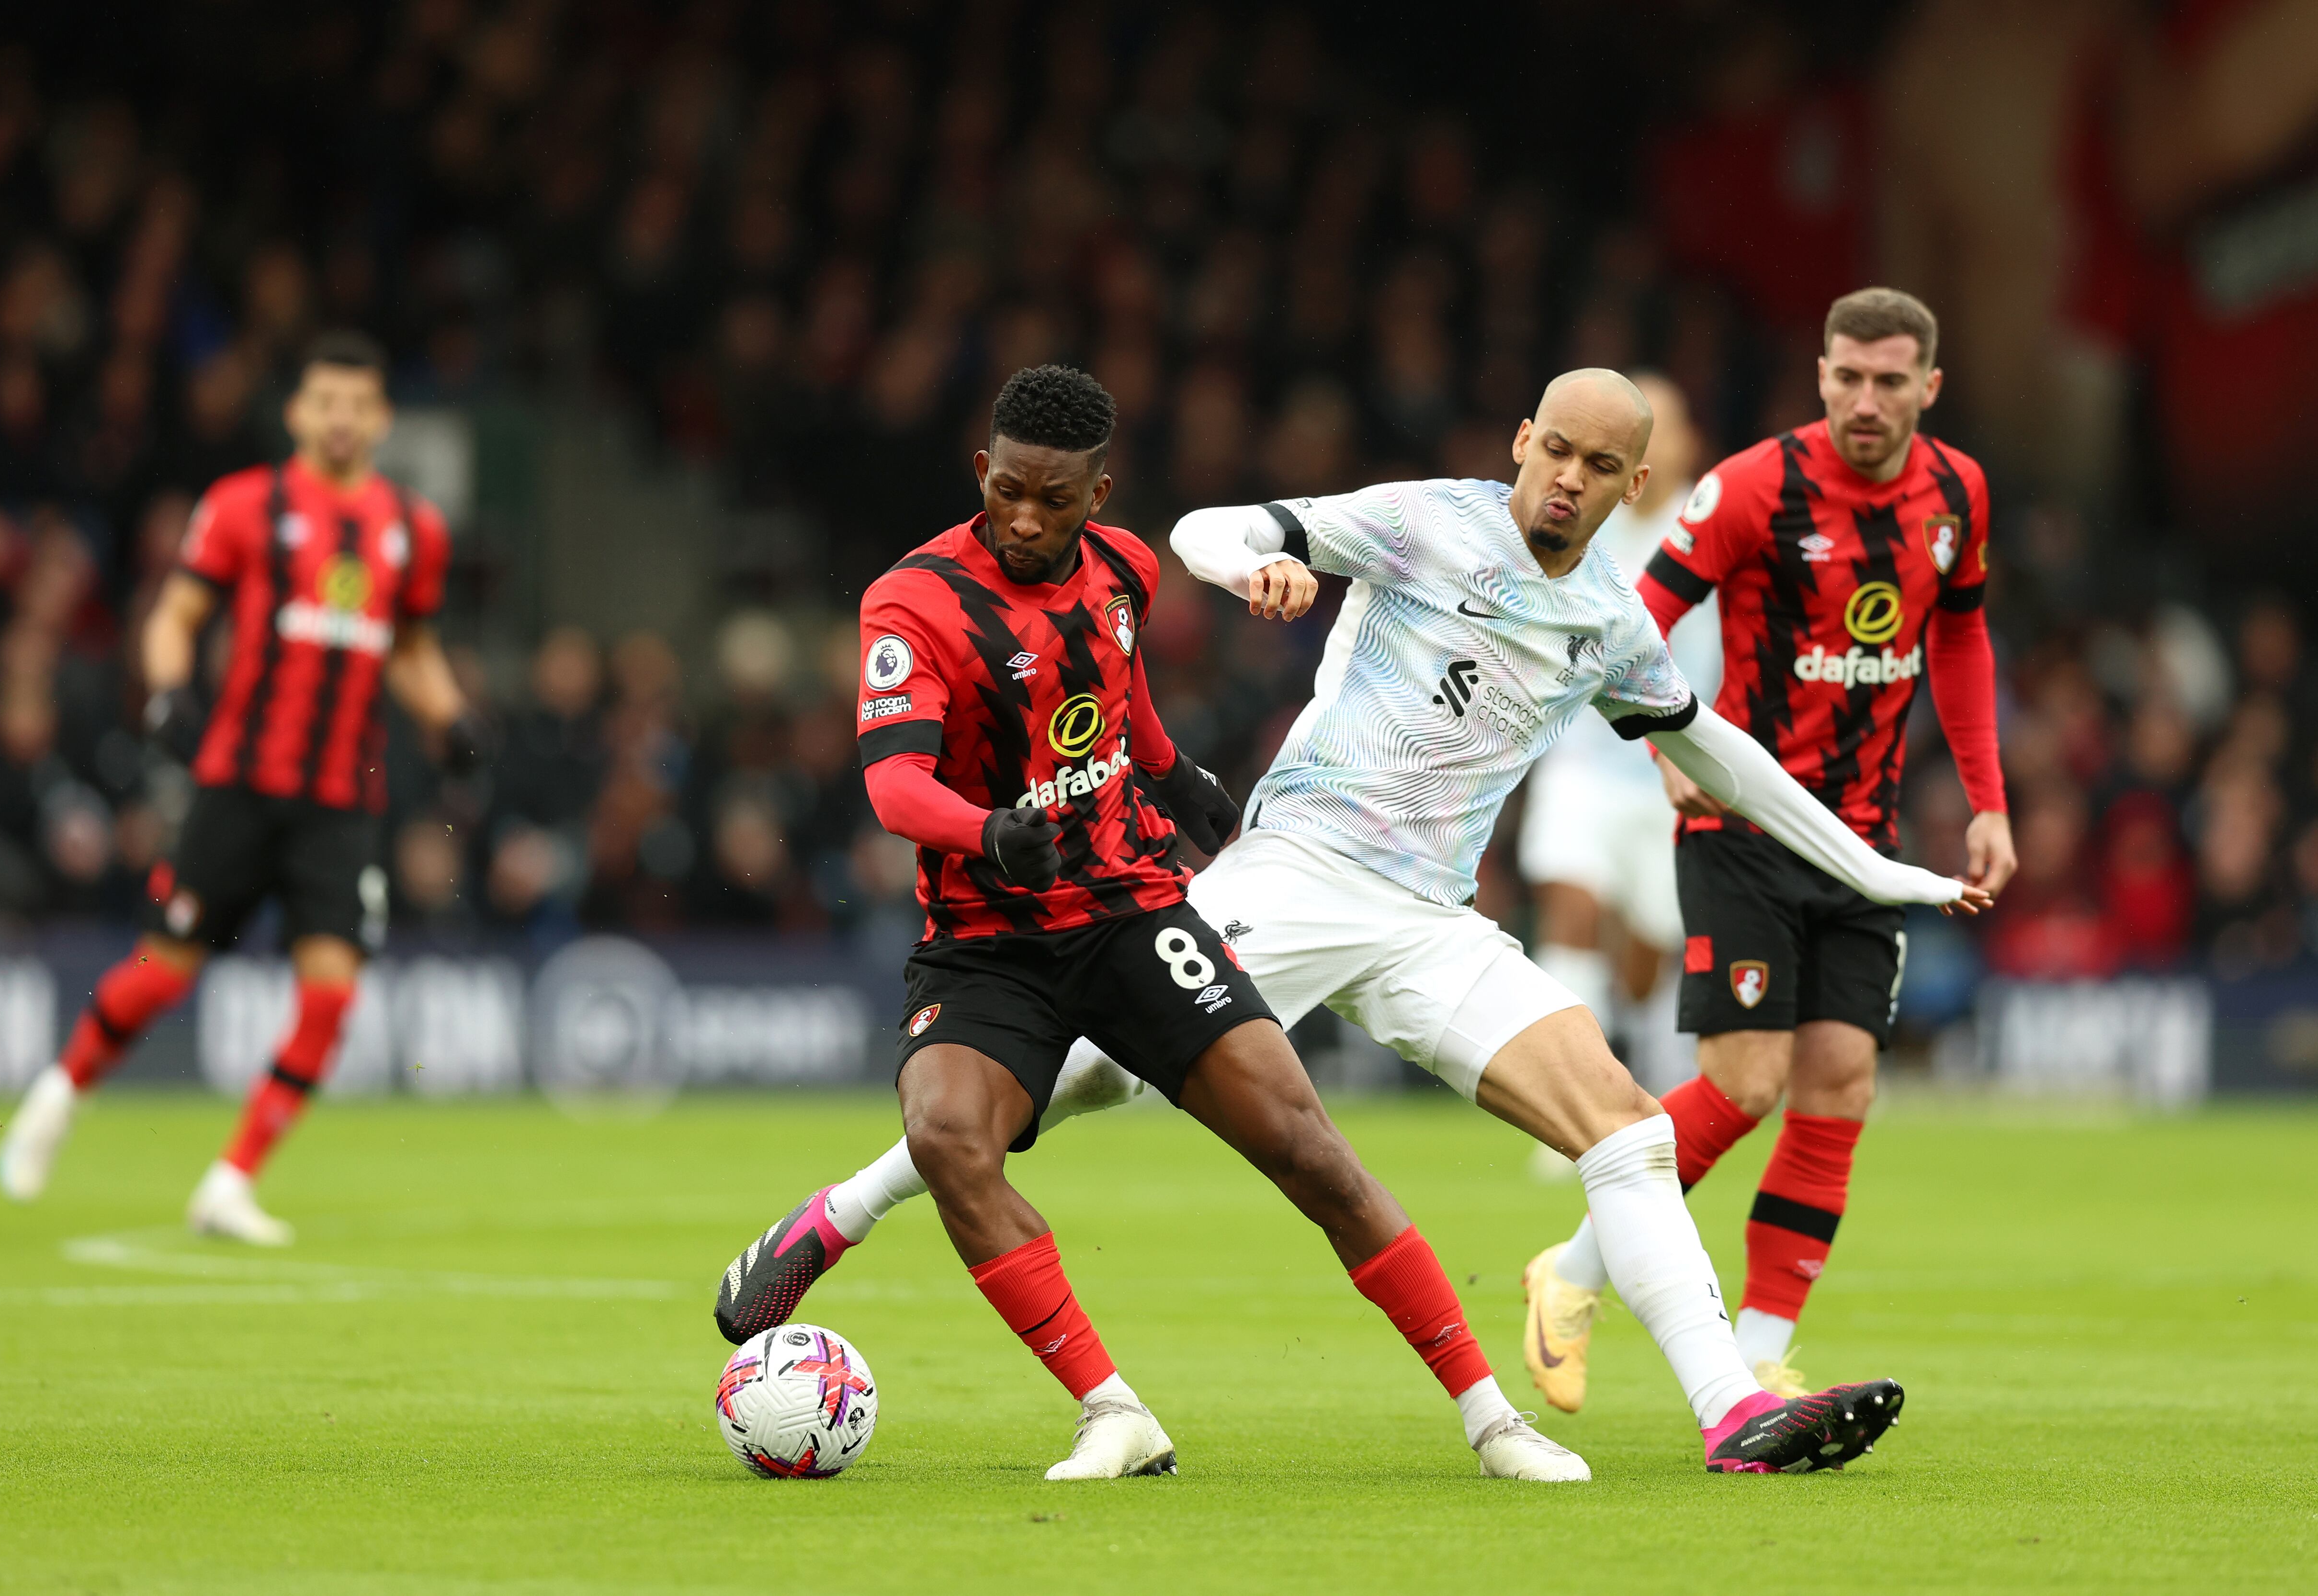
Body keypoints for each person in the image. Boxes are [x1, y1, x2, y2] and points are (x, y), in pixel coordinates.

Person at [718, 365, 1988, 1474]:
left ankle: (1733, 1412)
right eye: (1554, 448)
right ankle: (845, 1207)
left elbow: (1718, 752)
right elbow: (1213, 527)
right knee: (1093, 1076)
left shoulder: (1610, 619)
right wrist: (1260, 565)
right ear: (1522, 445)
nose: (1567, 477)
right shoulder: (1429, 522)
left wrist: (1882, 871)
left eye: (1601, 465)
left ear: (1635, 483)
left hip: (1433, 921)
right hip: (1299, 871)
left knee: (1626, 1127)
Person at [779, 364, 1585, 1484]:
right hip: (986, 938)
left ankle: (1495, 1420)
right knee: (948, 1136)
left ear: (1098, 495)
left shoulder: (1126, 571)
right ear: (981, 471)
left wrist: (1176, 774)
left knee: (1308, 1147)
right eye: (1008, 489)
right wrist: (986, 830)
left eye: (1053, 500)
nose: (1024, 517)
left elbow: (1117, 695)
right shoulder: (910, 601)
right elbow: (894, 787)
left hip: (1132, 911)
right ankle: (1111, 1412)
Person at [1524, 288, 2016, 1412]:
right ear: (1820, 373)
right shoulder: (1751, 485)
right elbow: (1634, 616)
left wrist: (1986, 798)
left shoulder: (1958, 493)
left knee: (1840, 1078)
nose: (1865, 399)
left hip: (1863, 840)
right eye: (1847, 376)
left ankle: (1756, 1350)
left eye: (1890, 381)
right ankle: (1576, 1270)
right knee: (1743, 1080)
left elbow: (1963, 630)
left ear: (1927, 389)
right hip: (1743, 824)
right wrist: (1656, 740)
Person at [0, 332, 483, 1243]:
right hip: (239, 785)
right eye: (325, 402)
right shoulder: (246, 506)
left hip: (341, 798)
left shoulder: (413, 530)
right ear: (298, 412)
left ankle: (230, 1180)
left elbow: (410, 645)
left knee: (332, 995)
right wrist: (171, 691)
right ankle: (58, 1097)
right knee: (160, 976)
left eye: (358, 404)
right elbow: (177, 613)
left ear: (381, 418)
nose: (341, 419)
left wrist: (450, 719)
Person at [1516, 372, 1718, 1090]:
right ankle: (1563, 1093)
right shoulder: (1584, 522)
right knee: (1573, 908)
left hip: (1675, 776)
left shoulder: (1717, 526)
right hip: (1581, 762)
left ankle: (1640, 1083)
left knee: (1649, 953)